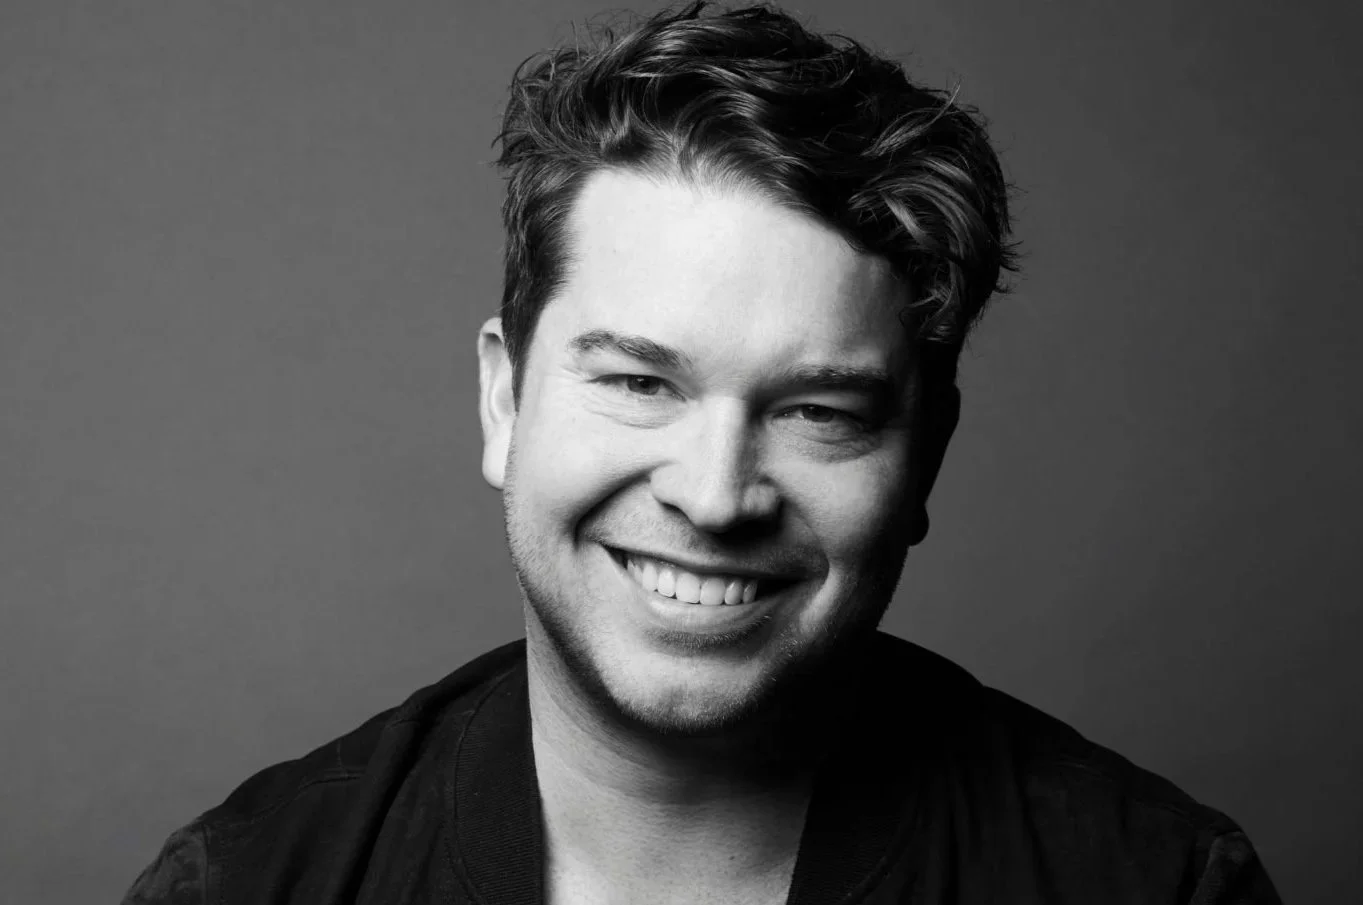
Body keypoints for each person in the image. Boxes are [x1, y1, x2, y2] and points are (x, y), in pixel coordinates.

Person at [122, 3, 1282, 903]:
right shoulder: (250, 880)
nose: (715, 494)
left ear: (924, 454)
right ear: (502, 399)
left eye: (820, 411)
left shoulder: (1152, 882)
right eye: (637, 381)